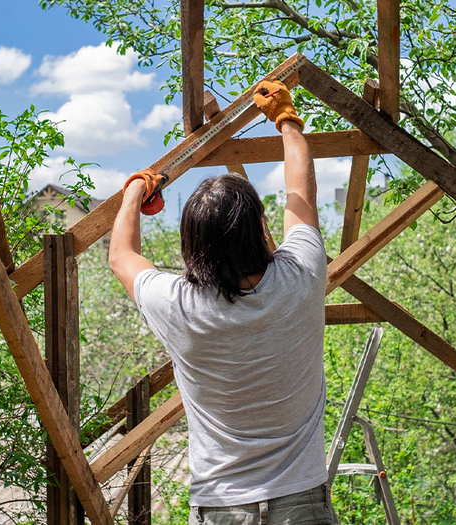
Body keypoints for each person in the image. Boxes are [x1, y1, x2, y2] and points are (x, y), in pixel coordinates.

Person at [108, 79, 337, 525]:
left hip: (221, 507)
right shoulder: (301, 277)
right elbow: (301, 196)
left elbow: (122, 256)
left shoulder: (179, 306)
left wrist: (136, 189)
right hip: (300, 503)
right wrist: (287, 120)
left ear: (193, 244)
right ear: (258, 228)